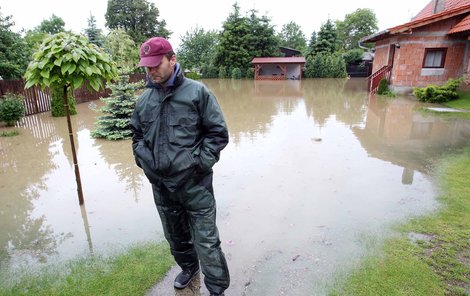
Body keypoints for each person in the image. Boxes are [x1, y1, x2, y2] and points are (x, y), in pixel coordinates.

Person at [130, 37, 230, 296]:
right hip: (162, 188)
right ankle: (188, 268)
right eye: (147, 67)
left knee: (207, 242)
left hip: (196, 186)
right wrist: (146, 165)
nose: (151, 71)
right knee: (175, 238)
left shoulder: (198, 93)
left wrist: (197, 165)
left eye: (156, 65)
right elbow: (137, 137)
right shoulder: (143, 101)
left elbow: (217, 134)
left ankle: (217, 289)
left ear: (172, 60)